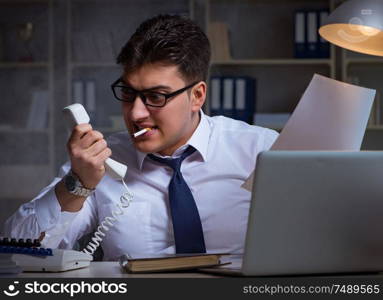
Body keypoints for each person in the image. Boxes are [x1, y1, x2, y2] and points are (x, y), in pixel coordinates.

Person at [3, 15, 278, 260]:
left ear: (197, 96)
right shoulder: (99, 161)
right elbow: (16, 250)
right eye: (128, 93)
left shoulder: (262, 150)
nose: (135, 113)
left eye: (155, 97)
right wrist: (78, 185)